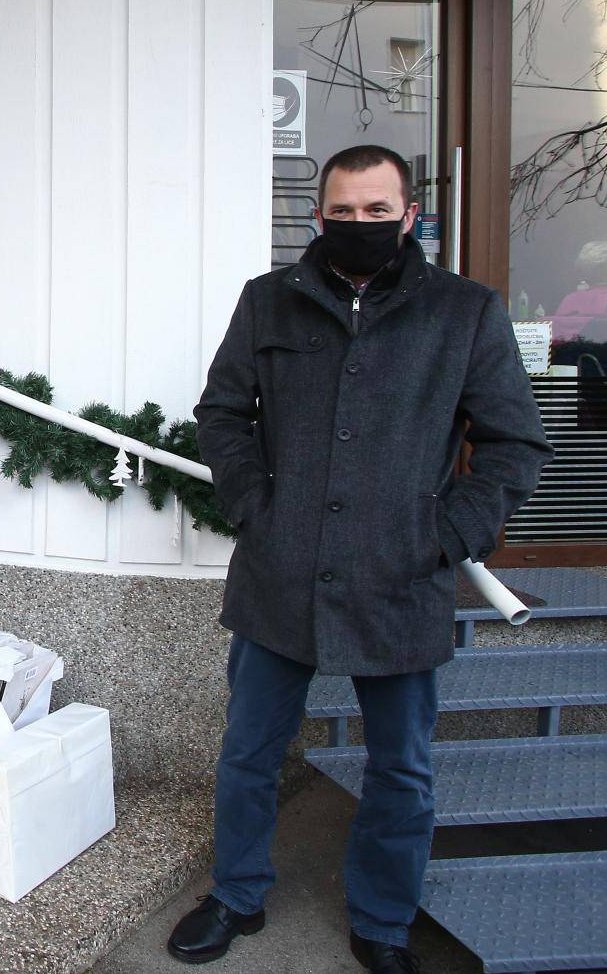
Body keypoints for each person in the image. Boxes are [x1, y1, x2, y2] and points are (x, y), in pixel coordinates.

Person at [176, 145, 552, 972]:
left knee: (403, 771)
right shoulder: (267, 302)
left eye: (377, 211)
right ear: (319, 216)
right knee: (247, 752)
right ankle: (235, 894)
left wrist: (447, 534)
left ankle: (383, 919)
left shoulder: (465, 311)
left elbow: (513, 442)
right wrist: (253, 505)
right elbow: (222, 413)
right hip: (280, 575)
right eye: (342, 212)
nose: (359, 225)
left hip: (401, 579)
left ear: (410, 215)